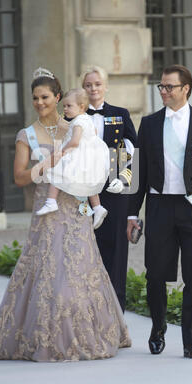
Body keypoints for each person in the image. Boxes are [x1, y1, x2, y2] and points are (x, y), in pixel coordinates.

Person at [0, 67, 131, 362]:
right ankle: (45, 337)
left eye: (45, 97)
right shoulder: (27, 134)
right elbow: (20, 178)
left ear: (58, 98)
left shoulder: (76, 127)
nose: (39, 102)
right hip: (47, 213)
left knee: (81, 271)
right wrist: (50, 162)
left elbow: (98, 160)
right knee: (50, 274)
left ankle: (89, 333)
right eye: (35, 98)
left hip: (76, 211)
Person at [127, 64, 192, 359]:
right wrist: (132, 214)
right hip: (159, 207)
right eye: (161, 86)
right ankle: (158, 328)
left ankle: (191, 341)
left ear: (185, 89)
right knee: (155, 274)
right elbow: (140, 172)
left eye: (169, 86)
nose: (163, 91)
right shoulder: (149, 123)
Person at [81, 66, 137, 313]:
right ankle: (88, 310)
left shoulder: (121, 114)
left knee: (116, 250)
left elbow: (135, 150)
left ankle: (116, 313)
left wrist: (124, 180)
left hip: (115, 189)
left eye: (97, 84)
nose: (93, 89)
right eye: (88, 85)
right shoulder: (74, 115)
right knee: (86, 248)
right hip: (83, 191)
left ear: (105, 86)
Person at [36, 88, 109, 230]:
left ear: (81, 107)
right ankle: (98, 207)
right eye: (64, 106)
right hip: (90, 157)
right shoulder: (86, 119)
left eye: (69, 106)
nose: (65, 109)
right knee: (89, 182)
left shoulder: (78, 122)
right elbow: (93, 133)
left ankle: (51, 201)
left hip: (78, 154)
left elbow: (75, 142)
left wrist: (63, 152)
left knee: (57, 170)